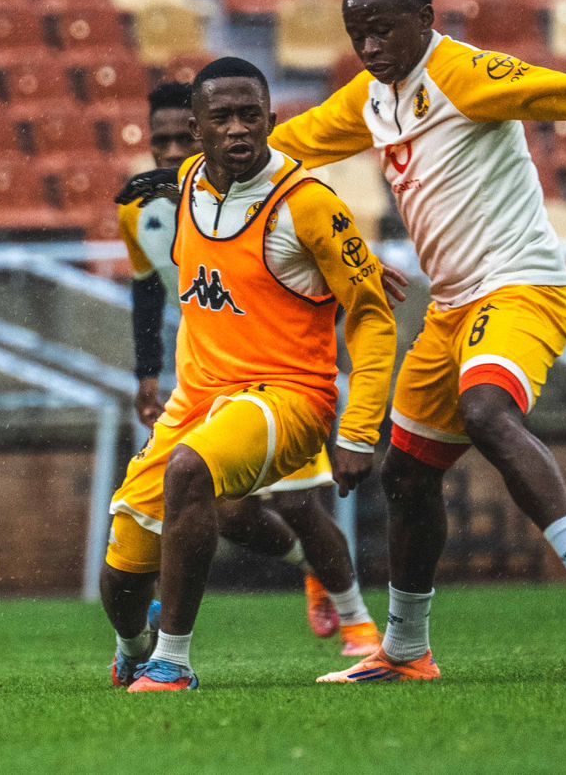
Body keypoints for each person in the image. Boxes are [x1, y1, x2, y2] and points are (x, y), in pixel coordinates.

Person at [268, 0, 566, 684]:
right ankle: (406, 652)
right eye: (358, 34)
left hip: (521, 286)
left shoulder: (467, 74)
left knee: (486, 407)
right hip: (449, 309)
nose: (370, 46)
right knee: (406, 476)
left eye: (383, 29)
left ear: (425, 20)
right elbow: (286, 149)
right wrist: (196, 171)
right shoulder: (368, 100)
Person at [103, 58, 397, 692]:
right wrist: (146, 369)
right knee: (124, 565)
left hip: (289, 397)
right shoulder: (182, 185)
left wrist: (361, 428)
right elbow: (157, 245)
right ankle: (133, 647)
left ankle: (175, 662)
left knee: (230, 484)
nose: (237, 130)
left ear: (271, 120)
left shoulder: (309, 203)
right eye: (221, 119)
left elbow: (372, 317)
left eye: (250, 117)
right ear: (196, 129)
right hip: (198, 400)